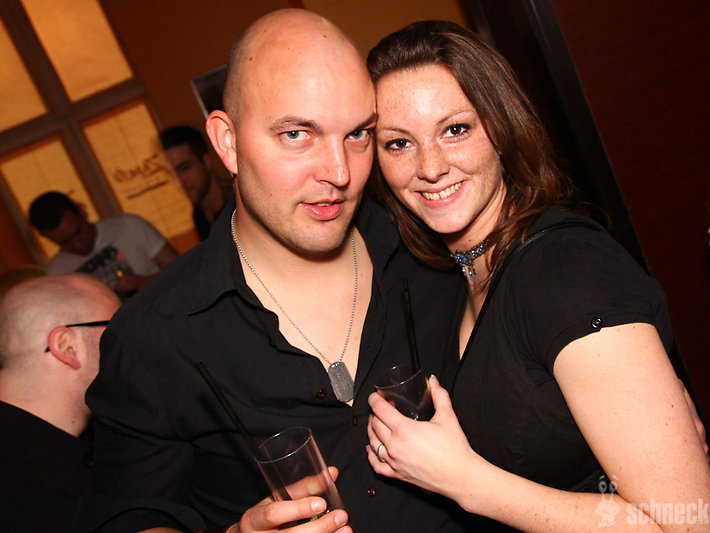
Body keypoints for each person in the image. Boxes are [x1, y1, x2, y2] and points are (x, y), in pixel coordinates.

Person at [81, 9, 467, 533]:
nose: (339, 172)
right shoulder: (155, 336)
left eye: (358, 134)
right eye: (297, 134)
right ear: (227, 142)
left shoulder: (431, 252)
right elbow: (129, 515)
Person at [364, 20, 710, 532]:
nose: (431, 166)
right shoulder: (454, 279)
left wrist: (464, 480)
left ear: (501, 129)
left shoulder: (566, 271)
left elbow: (689, 526)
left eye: (455, 129)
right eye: (398, 143)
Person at [0, 273, 120, 531]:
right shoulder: (30, 492)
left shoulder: (56, 445)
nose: (129, 345)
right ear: (66, 346)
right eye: (115, 331)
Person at [28, 191, 178, 296]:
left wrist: (147, 282)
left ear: (81, 212)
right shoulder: (57, 273)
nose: (78, 245)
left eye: (77, 233)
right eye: (64, 243)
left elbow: (182, 269)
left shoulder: (128, 226)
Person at [159, 125, 233, 240]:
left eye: (185, 168)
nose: (179, 180)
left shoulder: (239, 202)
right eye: (171, 173)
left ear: (206, 161)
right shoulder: (199, 216)